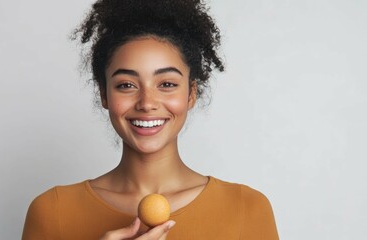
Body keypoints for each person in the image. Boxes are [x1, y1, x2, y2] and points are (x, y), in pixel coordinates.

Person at [21, 0, 279, 239]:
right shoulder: (52, 212)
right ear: (104, 94)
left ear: (191, 94)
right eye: (126, 85)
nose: (146, 103)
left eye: (166, 83)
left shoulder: (248, 208)